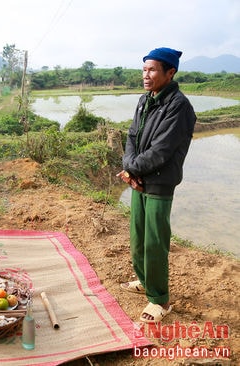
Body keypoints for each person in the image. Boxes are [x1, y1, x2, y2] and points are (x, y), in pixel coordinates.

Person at [117, 47, 196, 324]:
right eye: (144, 69)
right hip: (139, 180)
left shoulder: (179, 106)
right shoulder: (145, 100)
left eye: (152, 70)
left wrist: (130, 169)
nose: (146, 75)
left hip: (160, 182)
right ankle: (144, 280)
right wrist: (129, 167)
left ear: (170, 72)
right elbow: (131, 136)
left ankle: (159, 300)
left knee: (154, 243)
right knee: (138, 239)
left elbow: (162, 150)